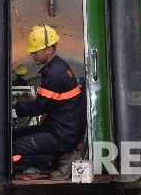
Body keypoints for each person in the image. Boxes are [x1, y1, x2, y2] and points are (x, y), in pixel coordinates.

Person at [11, 24, 85, 175]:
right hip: (60, 129)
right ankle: (52, 157)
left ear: (49, 50)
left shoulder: (54, 74)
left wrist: (14, 105)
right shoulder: (57, 67)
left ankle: (53, 158)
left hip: (61, 135)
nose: (32, 54)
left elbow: (39, 108)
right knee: (14, 136)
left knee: (11, 149)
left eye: (35, 51)